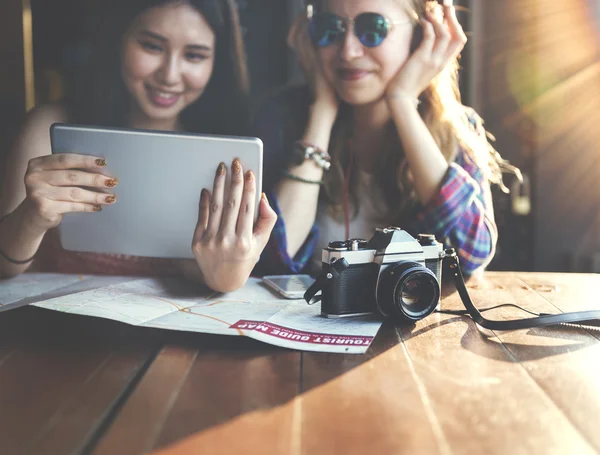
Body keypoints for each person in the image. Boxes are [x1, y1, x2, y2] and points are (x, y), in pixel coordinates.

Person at [0, 0, 277, 293]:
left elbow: (202, 269)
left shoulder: (227, 152)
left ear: (216, 62)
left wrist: (226, 273)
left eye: (194, 55)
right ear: (118, 39)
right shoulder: (50, 127)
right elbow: (6, 266)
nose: (169, 75)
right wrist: (32, 216)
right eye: (152, 47)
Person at [254, 0, 509, 277]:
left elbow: (471, 255)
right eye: (332, 28)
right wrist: (322, 113)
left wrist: (402, 102)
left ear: (421, 37)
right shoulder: (283, 116)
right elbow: (271, 258)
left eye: (373, 29)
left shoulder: (457, 126)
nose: (348, 52)